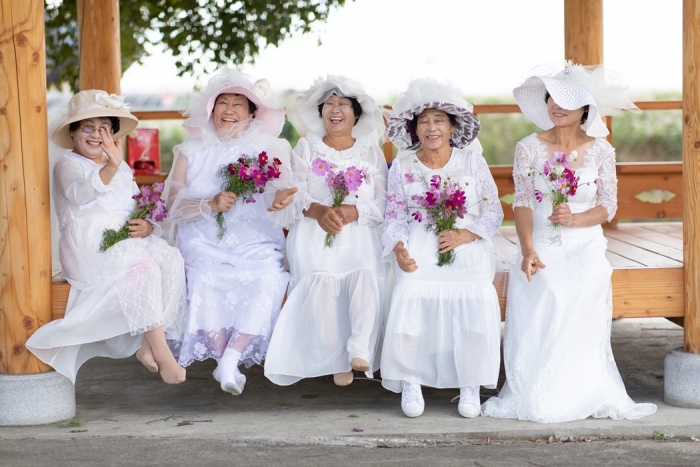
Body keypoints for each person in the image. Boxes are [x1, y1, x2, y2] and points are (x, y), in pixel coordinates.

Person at [481, 61, 657, 422]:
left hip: (586, 243)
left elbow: (608, 205)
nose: (556, 106)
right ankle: (538, 388)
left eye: (566, 100)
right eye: (551, 98)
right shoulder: (528, 147)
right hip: (542, 240)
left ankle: (583, 388)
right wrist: (528, 249)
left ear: (585, 110)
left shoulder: (601, 150)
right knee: (545, 286)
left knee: (582, 288)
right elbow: (524, 202)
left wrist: (577, 218)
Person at [26, 89, 187, 385]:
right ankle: (162, 353)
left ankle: (146, 346)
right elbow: (80, 194)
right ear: (73, 132)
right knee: (146, 269)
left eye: (104, 128)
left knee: (171, 259)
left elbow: (136, 202)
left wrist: (147, 225)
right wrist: (110, 166)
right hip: (89, 244)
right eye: (88, 127)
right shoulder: (68, 164)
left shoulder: (120, 165)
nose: (97, 135)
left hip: (123, 237)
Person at [165, 69, 297, 395]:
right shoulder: (190, 151)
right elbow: (170, 206)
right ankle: (227, 361)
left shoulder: (271, 148)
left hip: (255, 240)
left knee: (268, 277)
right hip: (204, 239)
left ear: (253, 112)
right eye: (222, 102)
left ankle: (230, 359)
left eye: (239, 103)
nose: (229, 109)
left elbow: (290, 191)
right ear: (210, 110)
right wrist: (208, 203)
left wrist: (282, 197)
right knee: (204, 279)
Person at [381, 79, 504, 418]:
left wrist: (466, 235)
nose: (432, 127)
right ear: (415, 129)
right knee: (410, 299)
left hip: (466, 245)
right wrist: (398, 246)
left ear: (452, 126)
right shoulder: (402, 167)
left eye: (439, 120)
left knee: (474, 308)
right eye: (424, 121)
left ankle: (470, 384)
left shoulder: (471, 163)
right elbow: (393, 215)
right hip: (420, 243)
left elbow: (494, 211)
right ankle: (410, 380)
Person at [264, 76, 389, 387]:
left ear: (356, 114)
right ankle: (336, 357)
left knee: (364, 269)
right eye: (329, 104)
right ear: (320, 113)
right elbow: (294, 191)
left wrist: (355, 211)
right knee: (322, 277)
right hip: (314, 228)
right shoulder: (307, 147)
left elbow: (386, 199)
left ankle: (359, 346)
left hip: (358, 227)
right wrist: (319, 211)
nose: (335, 110)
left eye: (343, 104)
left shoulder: (370, 152)